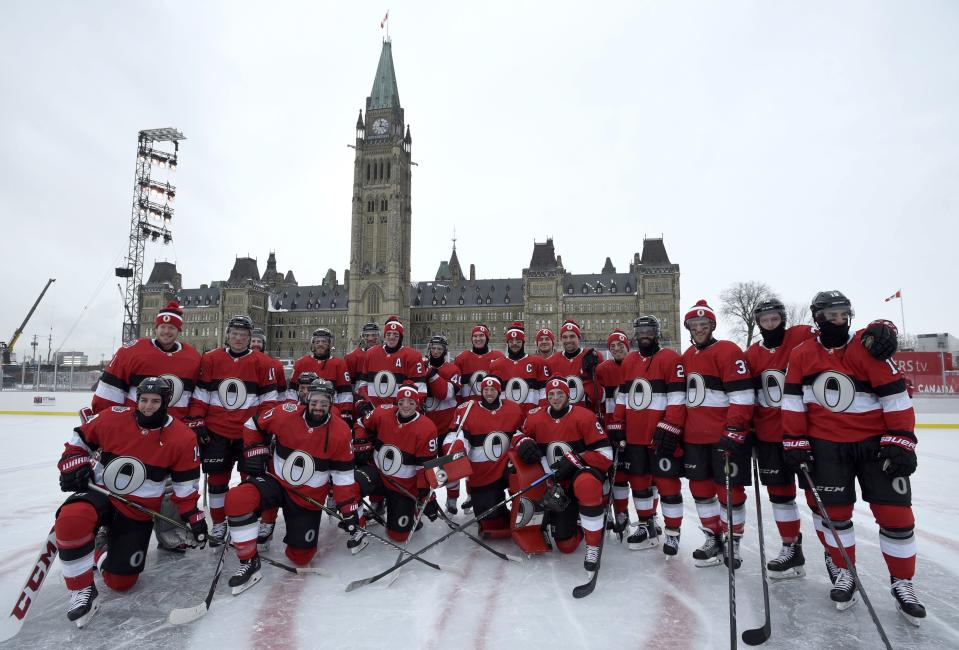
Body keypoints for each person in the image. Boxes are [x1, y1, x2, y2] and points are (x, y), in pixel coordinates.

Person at [782, 291, 924, 623]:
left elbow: (895, 397)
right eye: (830, 315)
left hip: (874, 444)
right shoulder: (803, 354)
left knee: (895, 516)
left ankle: (903, 582)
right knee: (835, 515)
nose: (838, 320)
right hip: (826, 445)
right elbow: (793, 402)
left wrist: (901, 439)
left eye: (842, 314)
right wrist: (795, 442)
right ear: (817, 318)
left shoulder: (867, 346)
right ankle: (844, 571)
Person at [746, 298, 900, 580]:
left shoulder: (803, 336)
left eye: (775, 318)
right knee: (780, 498)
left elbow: (844, 334)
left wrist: (882, 327)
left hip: (809, 435)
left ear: (783, 317)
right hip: (770, 435)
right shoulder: (752, 354)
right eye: (765, 320)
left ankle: (833, 555)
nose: (770, 324)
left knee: (819, 500)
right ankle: (792, 549)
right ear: (758, 323)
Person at [54, 377, 205, 627]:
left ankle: (99, 545)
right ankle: (81, 591)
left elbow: (184, 487)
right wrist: (72, 463)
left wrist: (194, 517)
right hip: (100, 492)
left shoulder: (183, 437)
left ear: (166, 402)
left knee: (121, 582)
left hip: (138, 509)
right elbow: (78, 440)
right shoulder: (114, 416)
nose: (148, 406)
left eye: (155, 401)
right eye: (143, 400)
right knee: (71, 520)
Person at [223, 380, 364, 594]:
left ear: (331, 403)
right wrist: (255, 450)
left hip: (308, 498)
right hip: (277, 483)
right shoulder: (285, 413)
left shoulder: (341, 431)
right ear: (307, 399)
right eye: (315, 401)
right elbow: (252, 425)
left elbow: (342, 476)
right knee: (237, 498)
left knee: (300, 557)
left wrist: (348, 509)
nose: (318, 407)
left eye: (324, 403)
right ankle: (249, 562)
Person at [187, 315, 278, 544]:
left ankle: (248, 520)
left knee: (251, 481)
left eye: (244, 335)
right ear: (228, 335)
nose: (238, 338)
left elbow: (269, 402)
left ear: (250, 338)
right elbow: (200, 397)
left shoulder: (263, 363)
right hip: (217, 432)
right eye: (235, 334)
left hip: (249, 434)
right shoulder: (210, 359)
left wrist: (261, 427)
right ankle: (219, 523)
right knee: (217, 483)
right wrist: (197, 421)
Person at [680, 300, 755, 569]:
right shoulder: (687, 356)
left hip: (723, 436)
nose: (699, 329)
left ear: (712, 325)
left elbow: (743, 395)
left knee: (729, 491)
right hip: (694, 437)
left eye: (704, 325)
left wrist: (735, 428)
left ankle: (732, 539)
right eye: (694, 325)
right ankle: (713, 536)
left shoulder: (727, 350)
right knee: (700, 490)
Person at [512, 377, 613, 572]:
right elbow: (517, 434)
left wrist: (576, 459)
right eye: (551, 394)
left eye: (560, 394)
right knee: (566, 546)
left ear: (568, 395)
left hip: (579, 474)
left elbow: (606, 454)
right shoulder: (535, 416)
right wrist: (522, 441)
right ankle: (577, 522)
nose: (555, 398)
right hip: (555, 484)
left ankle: (593, 545)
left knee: (587, 484)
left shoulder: (585, 417)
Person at [613, 316, 686, 554]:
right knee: (639, 483)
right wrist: (617, 423)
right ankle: (646, 524)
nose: (645, 334)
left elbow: (677, 397)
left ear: (656, 332)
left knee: (667, 484)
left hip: (659, 434)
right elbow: (623, 397)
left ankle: (673, 532)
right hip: (635, 435)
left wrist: (671, 425)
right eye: (641, 329)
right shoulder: (630, 360)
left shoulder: (670, 358)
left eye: (649, 330)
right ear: (636, 333)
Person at [353, 382, 439, 542]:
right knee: (351, 484)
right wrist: (360, 439)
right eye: (401, 402)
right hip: (378, 474)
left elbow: (425, 466)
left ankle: (411, 511)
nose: (405, 406)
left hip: (403, 486)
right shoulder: (382, 413)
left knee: (399, 535)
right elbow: (360, 423)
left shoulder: (427, 428)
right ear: (396, 402)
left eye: (411, 402)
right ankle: (358, 526)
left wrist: (426, 495)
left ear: (417, 404)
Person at [91, 301, 200, 419]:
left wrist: (193, 419)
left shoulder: (193, 357)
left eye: (171, 327)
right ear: (156, 329)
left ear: (179, 331)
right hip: (135, 426)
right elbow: (109, 392)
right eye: (162, 327)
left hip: (175, 427)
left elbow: (197, 396)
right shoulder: (132, 352)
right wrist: (104, 420)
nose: (166, 331)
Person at [443, 376, 523, 533]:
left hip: (507, 466)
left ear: (499, 391)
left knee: (523, 483)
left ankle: (519, 510)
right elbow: (455, 435)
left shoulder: (513, 408)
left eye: (493, 389)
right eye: (486, 389)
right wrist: (457, 447)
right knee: (493, 526)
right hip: (483, 473)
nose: (489, 393)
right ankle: (497, 511)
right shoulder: (467, 409)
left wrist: (523, 440)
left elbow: (520, 431)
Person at [359, 316, 428, 407]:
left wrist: (405, 410)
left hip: (400, 412)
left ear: (401, 337)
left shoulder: (413, 356)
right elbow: (363, 385)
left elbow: (420, 390)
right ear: (384, 336)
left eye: (395, 334)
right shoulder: (371, 353)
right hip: (374, 411)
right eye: (388, 334)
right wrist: (367, 404)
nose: (391, 337)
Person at [291, 328, 354, 420]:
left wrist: (345, 413)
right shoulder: (301, 363)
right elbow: (292, 392)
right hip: (303, 411)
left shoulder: (339, 364)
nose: (320, 344)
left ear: (329, 344)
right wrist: (292, 410)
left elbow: (345, 393)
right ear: (313, 344)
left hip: (331, 411)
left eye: (324, 341)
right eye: (317, 342)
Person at [489, 322, 549, 415]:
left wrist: (541, 414)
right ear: (507, 342)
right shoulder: (496, 365)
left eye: (518, 341)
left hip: (532, 415)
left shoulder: (538, 362)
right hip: (506, 417)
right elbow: (493, 394)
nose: (514, 344)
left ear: (523, 342)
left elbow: (544, 393)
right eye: (511, 341)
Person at [546, 320, 603, 412]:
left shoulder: (592, 356)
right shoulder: (552, 361)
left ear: (579, 337)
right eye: (565, 337)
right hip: (562, 416)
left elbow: (601, 395)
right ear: (561, 339)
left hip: (587, 413)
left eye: (572, 336)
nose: (568, 340)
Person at [454, 324, 505, 402]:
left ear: (487, 338)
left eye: (481, 335)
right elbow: (457, 388)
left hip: (492, 407)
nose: (478, 339)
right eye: (475, 336)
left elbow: (504, 386)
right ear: (471, 338)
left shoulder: (498, 357)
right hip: (468, 407)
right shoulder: (461, 358)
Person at [251, 329, 289, 404]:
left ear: (264, 344)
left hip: (266, 408)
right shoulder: (239, 363)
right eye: (253, 341)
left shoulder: (276, 365)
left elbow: (281, 394)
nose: (256, 344)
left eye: (259, 341)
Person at [345, 322, 381, 396]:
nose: (370, 338)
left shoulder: (387, 355)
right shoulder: (352, 357)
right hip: (359, 398)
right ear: (362, 337)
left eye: (373, 335)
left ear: (378, 336)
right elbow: (349, 384)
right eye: (367, 335)